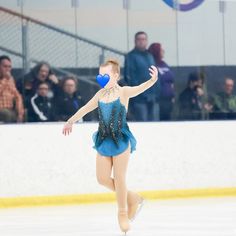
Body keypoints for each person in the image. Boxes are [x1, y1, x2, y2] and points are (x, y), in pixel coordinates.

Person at [62, 59, 158, 234]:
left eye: (106, 75)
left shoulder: (124, 92)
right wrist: (70, 121)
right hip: (104, 139)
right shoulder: (100, 95)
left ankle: (122, 213)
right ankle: (133, 198)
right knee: (102, 178)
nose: (102, 78)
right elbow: (85, 108)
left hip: (121, 140)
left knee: (120, 178)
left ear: (116, 75)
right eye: (100, 75)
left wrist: (152, 80)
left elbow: (140, 88)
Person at [124, 31, 160, 121]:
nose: (141, 41)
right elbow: (130, 78)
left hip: (153, 98)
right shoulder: (130, 57)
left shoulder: (150, 56)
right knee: (142, 125)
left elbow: (155, 74)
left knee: (156, 127)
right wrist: (141, 92)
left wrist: (157, 92)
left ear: (147, 41)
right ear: (135, 41)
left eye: (143, 39)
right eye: (139, 39)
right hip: (139, 99)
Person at [148, 43, 175, 121]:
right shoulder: (152, 64)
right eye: (161, 50)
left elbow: (171, 80)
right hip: (159, 99)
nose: (163, 51)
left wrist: (173, 94)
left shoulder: (164, 64)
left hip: (169, 99)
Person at [0, 55, 24, 123]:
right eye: (5, 66)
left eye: (9, 67)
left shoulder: (11, 79)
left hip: (10, 109)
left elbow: (17, 96)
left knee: (24, 113)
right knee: (7, 114)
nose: (7, 69)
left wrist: (20, 112)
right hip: (2, 110)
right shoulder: (8, 79)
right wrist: (6, 80)